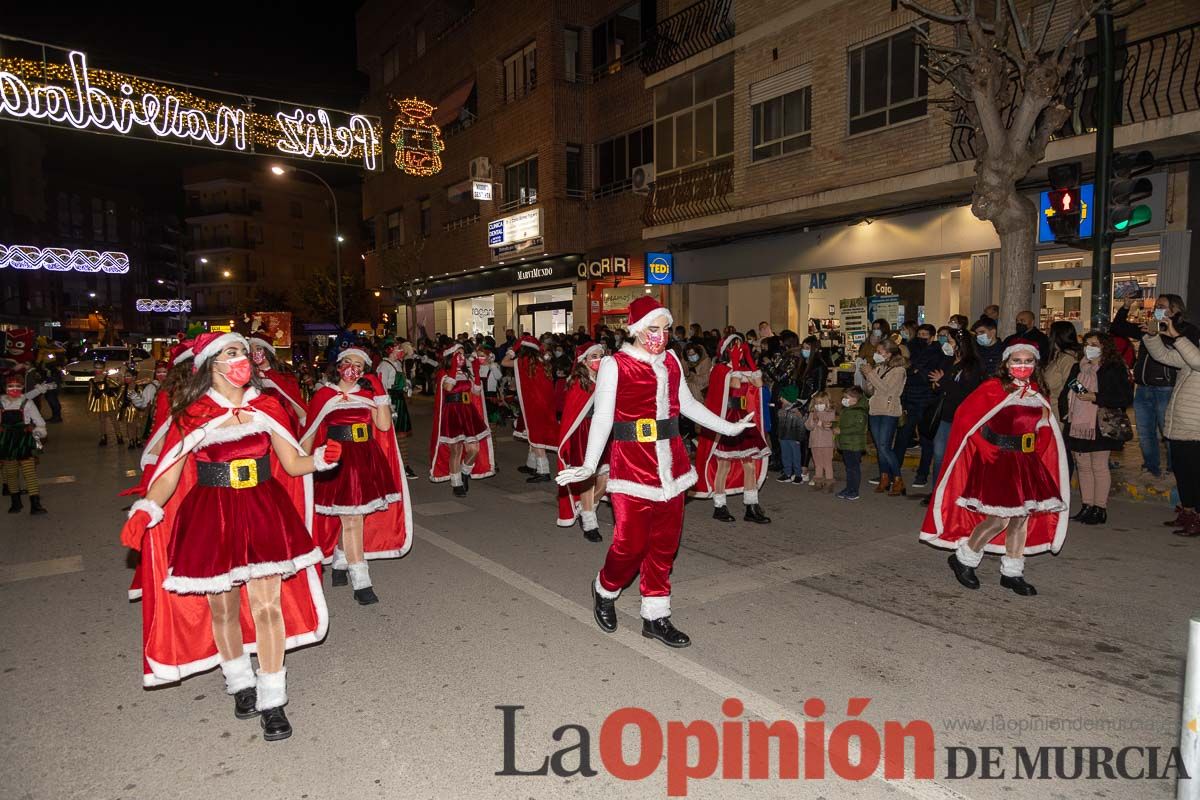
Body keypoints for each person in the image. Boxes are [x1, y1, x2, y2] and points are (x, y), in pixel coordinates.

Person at [118, 332, 335, 741]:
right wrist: (148, 505)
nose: (241, 361)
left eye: (243, 354)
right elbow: (168, 474)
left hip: (263, 509)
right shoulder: (193, 414)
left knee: (268, 607)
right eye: (231, 354)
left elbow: (291, 464)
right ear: (210, 365)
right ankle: (240, 682)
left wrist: (320, 460)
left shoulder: (267, 407)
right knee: (224, 609)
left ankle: (274, 699)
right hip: (212, 514)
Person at [555, 297, 756, 648]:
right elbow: (602, 417)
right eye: (653, 328)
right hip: (632, 465)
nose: (660, 336)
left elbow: (688, 405)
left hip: (673, 466)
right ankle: (605, 587)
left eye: (664, 329)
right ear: (635, 329)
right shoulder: (615, 366)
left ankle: (655, 615)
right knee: (629, 546)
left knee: (664, 547)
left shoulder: (672, 360)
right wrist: (589, 465)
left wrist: (729, 427)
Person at [921, 340, 1069, 596]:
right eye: (1017, 361)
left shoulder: (1036, 391)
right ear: (1007, 363)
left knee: (1020, 519)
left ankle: (1012, 572)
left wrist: (1042, 440)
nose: (1022, 366)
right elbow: (966, 416)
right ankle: (964, 558)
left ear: (1035, 364)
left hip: (1025, 461)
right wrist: (980, 443)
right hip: (997, 459)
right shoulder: (993, 387)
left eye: (1028, 361)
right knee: (998, 519)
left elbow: (1044, 422)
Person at [302, 348, 412, 605]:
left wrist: (379, 392)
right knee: (351, 518)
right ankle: (361, 580)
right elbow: (309, 432)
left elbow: (384, 426)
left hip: (365, 459)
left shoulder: (366, 395)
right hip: (338, 461)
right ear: (338, 365)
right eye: (348, 363)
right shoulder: (324, 395)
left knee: (354, 516)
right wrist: (303, 469)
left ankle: (341, 559)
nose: (353, 368)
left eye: (359, 366)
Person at [1111, 294, 1200, 478]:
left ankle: (1173, 470)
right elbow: (1118, 327)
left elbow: (1187, 358)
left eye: (1161, 305)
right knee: (1145, 434)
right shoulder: (1152, 326)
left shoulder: (1186, 330)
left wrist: (1171, 332)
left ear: (1175, 309)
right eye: (1156, 306)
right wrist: (1126, 307)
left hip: (1165, 388)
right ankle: (1151, 467)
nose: (1157, 309)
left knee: (1169, 434)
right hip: (1143, 387)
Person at [692, 334, 772, 524]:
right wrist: (736, 363)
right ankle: (719, 506)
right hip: (726, 418)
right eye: (735, 346)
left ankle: (751, 506)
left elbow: (758, 384)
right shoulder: (719, 369)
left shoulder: (741, 368)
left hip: (743, 417)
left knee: (750, 465)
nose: (739, 348)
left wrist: (751, 363)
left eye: (741, 345)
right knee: (724, 466)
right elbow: (735, 384)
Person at [1059, 331, 1133, 526]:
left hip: (1100, 423)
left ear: (1105, 347)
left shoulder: (1113, 368)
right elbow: (1068, 390)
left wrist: (1096, 397)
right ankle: (1087, 506)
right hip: (1077, 424)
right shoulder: (1078, 367)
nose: (1090, 347)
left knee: (1099, 466)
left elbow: (1125, 397)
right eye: (1087, 343)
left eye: (1095, 344)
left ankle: (1100, 508)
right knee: (1083, 467)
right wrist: (1067, 412)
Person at [1141, 312, 1200, 536]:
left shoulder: (1195, 356)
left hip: (1196, 429)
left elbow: (1196, 361)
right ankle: (1187, 512)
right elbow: (1163, 357)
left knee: (1195, 476)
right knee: (1184, 474)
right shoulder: (1190, 354)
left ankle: (1197, 518)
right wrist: (1153, 336)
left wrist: (1176, 336)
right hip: (1181, 427)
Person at [556, 344, 609, 541]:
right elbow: (574, 411)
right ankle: (589, 522)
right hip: (584, 431)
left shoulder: (606, 378)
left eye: (600, 356)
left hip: (603, 431)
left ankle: (582, 507)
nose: (598, 360)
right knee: (588, 478)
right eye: (593, 356)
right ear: (583, 360)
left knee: (605, 480)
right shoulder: (578, 381)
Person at [925, 329, 984, 503]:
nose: (946, 344)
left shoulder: (972, 365)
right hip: (945, 415)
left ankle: (956, 493)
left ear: (960, 344)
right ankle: (937, 492)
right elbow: (943, 385)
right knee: (939, 455)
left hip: (962, 417)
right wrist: (938, 384)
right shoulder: (950, 361)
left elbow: (965, 391)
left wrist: (942, 382)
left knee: (958, 458)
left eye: (950, 341)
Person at [429, 342, 496, 494]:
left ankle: (465, 472)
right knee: (456, 450)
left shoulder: (466, 373)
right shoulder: (444, 373)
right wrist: (453, 368)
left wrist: (477, 373)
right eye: (457, 354)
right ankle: (456, 483)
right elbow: (448, 388)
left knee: (474, 449)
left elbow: (476, 392)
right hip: (452, 412)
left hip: (467, 411)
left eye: (462, 353)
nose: (461, 357)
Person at [893, 323, 949, 489]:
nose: (922, 337)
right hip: (909, 399)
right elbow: (906, 370)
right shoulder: (911, 347)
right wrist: (916, 370)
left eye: (925, 334)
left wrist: (916, 369)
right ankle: (893, 473)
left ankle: (922, 474)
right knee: (902, 437)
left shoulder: (939, 351)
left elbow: (930, 376)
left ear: (932, 337)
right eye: (920, 334)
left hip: (927, 402)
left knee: (927, 441)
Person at [505, 336, 558, 482]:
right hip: (544, 404)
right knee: (531, 433)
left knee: (536, 436)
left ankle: (543, 470)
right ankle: (532, 464)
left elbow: (504, 362)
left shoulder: (524, 361)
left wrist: (511, 351)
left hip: (533, 404)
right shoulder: (542, 361)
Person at [862, 338, 907, 495]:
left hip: (889, 411)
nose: (876, 354)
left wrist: (869, 374)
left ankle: (898, 479)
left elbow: (887, 390)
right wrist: (868, 378)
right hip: (875, 410)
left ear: (888, 353)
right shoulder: (879, 367)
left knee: (884, 446)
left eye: (879, 352)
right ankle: (884, 477)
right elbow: (870, 390)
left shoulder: (899, 370)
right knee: (880, 447)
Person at [2, 371, 47, 515]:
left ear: (22, 387)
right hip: (6, 441)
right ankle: (16, 502)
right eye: (10, 386)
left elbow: (39, 422)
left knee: (29, 472)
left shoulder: (27, 402)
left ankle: (35, 504)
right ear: (5, 388)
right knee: (11, 473)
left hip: (23, 440)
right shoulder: (1, 402)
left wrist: (39, 432)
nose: (14, 389)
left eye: (17, 386)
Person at [249, 335, 306, 437]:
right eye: (251, 350)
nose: (255, 353)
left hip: (283, 426)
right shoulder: (249, 378)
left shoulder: (284, 376)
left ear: (267, 351)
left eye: (258, 348)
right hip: (259, 428)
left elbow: (295, 401)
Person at [377, 341, 417, 479]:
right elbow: (381, 388)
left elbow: (400, 381)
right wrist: (388, 407)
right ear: (390, 351)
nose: (400, 350)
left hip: (400, 400)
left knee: (402, 434)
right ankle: (388, 466)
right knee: (390, 435)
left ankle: (404, 466)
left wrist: (407, 386)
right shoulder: (383, 366)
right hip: (391, 402)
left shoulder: (399, 364)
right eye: (397, 348)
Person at [1042, 322, 1082, 422]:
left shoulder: (1067, 359)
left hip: (1059, 413)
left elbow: (1074, 384)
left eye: (1050, 332)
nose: (1047, 334)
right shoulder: (1058, 355)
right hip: (1053, 409)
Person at [834, 386, 868, 500]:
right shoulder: (847, 410)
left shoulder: (859, 412)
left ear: (854, 399)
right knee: (849, 468)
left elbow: (858, 428)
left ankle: (854, 491)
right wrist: (834, 426)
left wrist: (841, 431)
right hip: (847, 444)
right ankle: (849, 488)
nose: (844, 399)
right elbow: (844, 425)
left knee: (853, 468)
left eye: (846, 397)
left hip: (854, 445)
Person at [804, 390, 836, 491]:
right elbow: (808, 427)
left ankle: (829, 482)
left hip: (826, 443)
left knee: (827, 463)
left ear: (827, 403)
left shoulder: (830, 413)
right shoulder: (812, 413)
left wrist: (818, 421)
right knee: (817, 463)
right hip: (814, 443)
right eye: (816, 403)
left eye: (821, 403)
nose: (818, 405)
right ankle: (818, 481)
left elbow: (827, 426)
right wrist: (812, 420)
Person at [87, 358, 119, 446]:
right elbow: (90, 393)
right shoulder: (92, 380)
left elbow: (117, 384)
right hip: (100, 402)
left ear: (103, 369)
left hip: (108, 400)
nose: (98, 370)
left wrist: (110, 386)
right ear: (94, 368)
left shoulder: (106, 378)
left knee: (113, 419)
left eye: (100, 368)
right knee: (102, 420)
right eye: (96, 368)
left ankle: (119, 436)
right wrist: (89, 405)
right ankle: (103, 437)